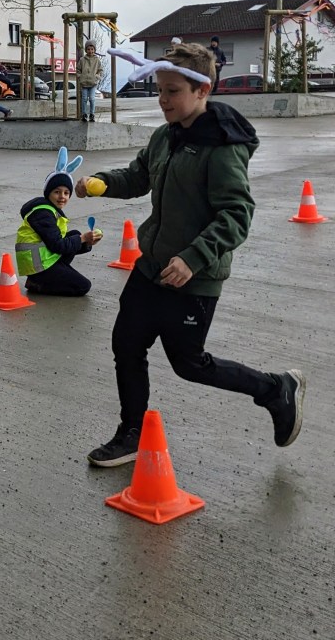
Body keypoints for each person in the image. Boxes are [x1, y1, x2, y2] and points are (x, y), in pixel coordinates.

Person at [76, 43, 305, 467]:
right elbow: (138, 176)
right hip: (151, 268)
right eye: (160, 89)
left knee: (189, 364)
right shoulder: (165, 136)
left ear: (202, 90)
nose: (162, 100)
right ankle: (131, 433)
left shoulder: (222, 147)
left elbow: (237, 214)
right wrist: (102, 182)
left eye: (173, 91)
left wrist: (193, 258)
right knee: (126, 344)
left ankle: (275, 389)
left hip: (192, 277)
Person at [15, 147, 101, 296]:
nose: (62, 196)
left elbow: (60, 242)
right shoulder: (43, 214)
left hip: (45, 257)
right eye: (57, 192)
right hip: (38, 266)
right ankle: (38, 283)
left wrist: (87, 242)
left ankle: (55, 273)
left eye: (66, 193)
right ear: (48, 193)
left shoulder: (50, 209)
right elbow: (58, 245)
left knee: (74, 234)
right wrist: (83, 238)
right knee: (83, 286)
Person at [77, 43, 103, 122]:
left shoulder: (97, 60)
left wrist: (97, 77)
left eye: (92, 49)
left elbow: (100, 70)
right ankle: (84, 114)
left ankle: (92, 114)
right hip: (84, 83)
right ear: (86, 50)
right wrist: (80, 77)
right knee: (84, 99)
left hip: (93, 83)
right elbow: (78, 69)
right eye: (88, 49)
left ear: (94, 50)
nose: (90, 51)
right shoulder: (82, 60)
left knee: (92, 99)